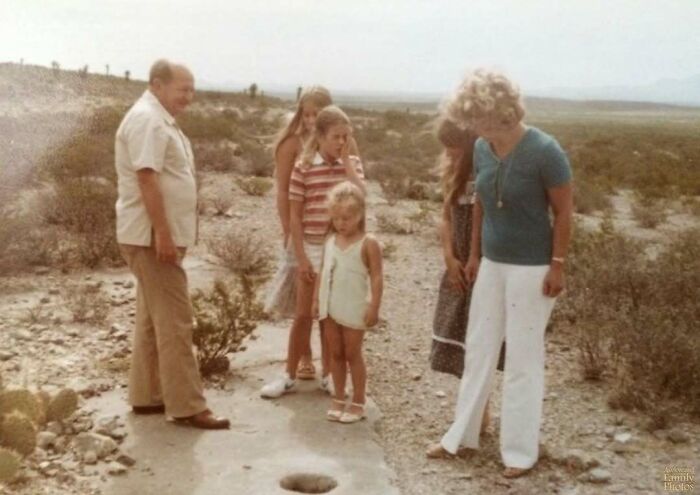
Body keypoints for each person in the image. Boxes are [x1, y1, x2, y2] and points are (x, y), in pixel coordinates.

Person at [428, 69, 573, 477]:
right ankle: (461, 436)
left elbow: (563, 211)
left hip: (532, 267)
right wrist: (474, 253)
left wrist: (557, 265)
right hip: (492, 263)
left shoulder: (545, 150)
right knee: (478, 350)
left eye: (475, 118)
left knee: (525, 358)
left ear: (497, 113)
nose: (471, 127)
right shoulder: (484, 149)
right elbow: (479, 203)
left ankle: (519, 452)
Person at [115, 59, 229, 429]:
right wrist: (163, 233)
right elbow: (147, 178)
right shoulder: (148, 119)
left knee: (153, 318)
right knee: (176, 321)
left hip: (151, 235)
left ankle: (147, 396)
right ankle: (187, 406)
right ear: (158, 84)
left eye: (192, 89)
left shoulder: (158, 117)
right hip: (150, 237)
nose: (189, 97)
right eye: (183, 89)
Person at [260, 105, 366, 399]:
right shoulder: (304, 167)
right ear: (319, 136)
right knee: (303, 314)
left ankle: (330, 375)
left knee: (331, 316)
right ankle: (289, 375)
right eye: (336, 136)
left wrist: (346, 164)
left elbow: (362, 196)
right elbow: (295, 215)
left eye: (346, 137)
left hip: (340, 249)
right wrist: (302, 257)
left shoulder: (352, 165)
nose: (341, 143)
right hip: (310, 246)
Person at [427, 118, 503, 440]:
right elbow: (445, 217)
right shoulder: (453, 174)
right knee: (460, 339)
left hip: (482, 264)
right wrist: (449, 257)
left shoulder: (482, 172)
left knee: (480, 340)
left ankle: (478, 414)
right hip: (458, 263)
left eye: (455, 149)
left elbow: (485, 219)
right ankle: (476, 413)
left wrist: (475, 257)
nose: (450, 155)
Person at [312, 181, 383, 423]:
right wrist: (316, 301)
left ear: (360, 215)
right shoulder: (330, 241)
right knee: (335, 352)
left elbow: (376, 275)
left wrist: (374, 306)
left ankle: (359, 400)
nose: (341, 223)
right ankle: (339, 396)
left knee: (353, 353)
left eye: (347, 218)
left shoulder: (368, 243)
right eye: (337, 218)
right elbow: (323, 271)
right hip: (330, 305)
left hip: (353, 306)